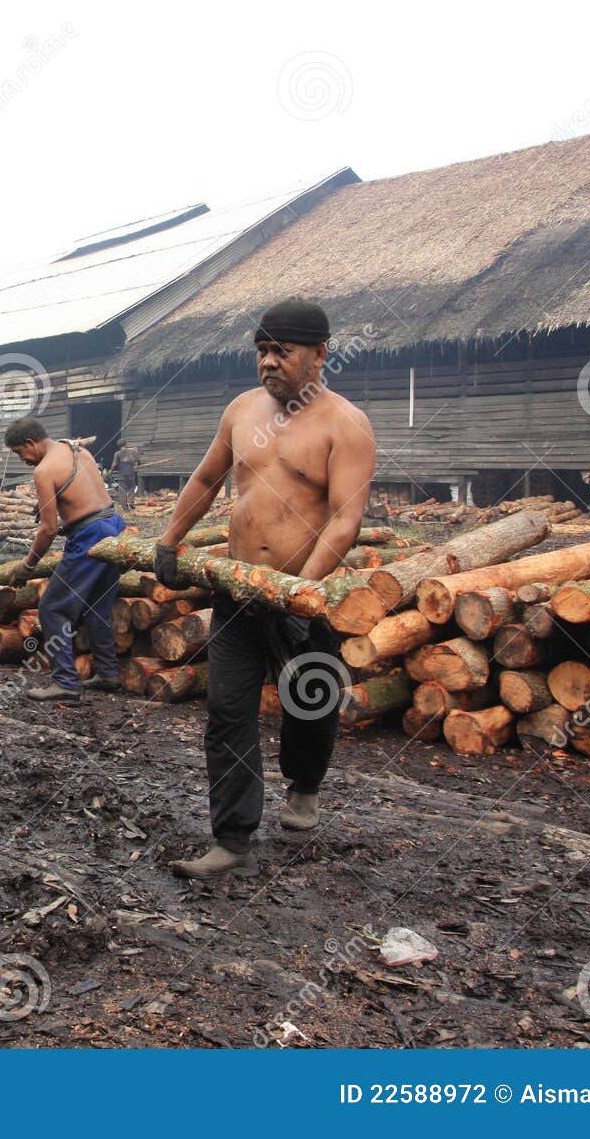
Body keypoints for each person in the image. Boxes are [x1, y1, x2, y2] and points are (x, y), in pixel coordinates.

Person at [153, 299, 375, 879]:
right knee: (227, 712)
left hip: (299, 593)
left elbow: (345, 518)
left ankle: (305, 784)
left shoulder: (345, 425)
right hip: (236, 592)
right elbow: (206, 479)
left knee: (313, 701)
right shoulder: (241, 411)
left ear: (320, 354)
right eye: (262, 351)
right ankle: (231, 839)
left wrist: (301, 588)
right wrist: (170, 539)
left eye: (283, 351)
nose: (268, 363)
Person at [4, 418, 125, 702]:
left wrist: (28, 565)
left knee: (53, 607)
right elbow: (80, 494)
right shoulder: (77, 450)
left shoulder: (44, 470)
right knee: (97, 606)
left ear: (30, 444)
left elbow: (47, 530)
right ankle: (108, 674)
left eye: (20, 453)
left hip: (90, 536)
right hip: (113, 524)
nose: (22, 460)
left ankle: (66, 682)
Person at [112, 442, 141, 511]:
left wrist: (111, 471)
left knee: (122, 491)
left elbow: (114, 464)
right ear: (126, 444)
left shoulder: (117, 453)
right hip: (131, 474)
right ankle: (131, 503)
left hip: (122, 475)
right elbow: (138, 460)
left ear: (119, 446)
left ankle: (125, 508)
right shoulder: (132, 452)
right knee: (131, 489)